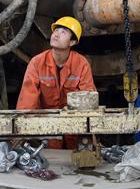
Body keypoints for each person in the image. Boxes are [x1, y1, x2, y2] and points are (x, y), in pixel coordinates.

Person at [16, 16, 95, 149]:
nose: (57, 34)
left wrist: (91, 132)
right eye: (56, 30)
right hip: (47, 126)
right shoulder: (37, 63)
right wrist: (22, 130)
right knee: (52, 156)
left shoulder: (81, 64)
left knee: (80, 153)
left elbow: (88, 99)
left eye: (63, 32)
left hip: (74, 126)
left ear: (73, 42)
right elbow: (28, 100)